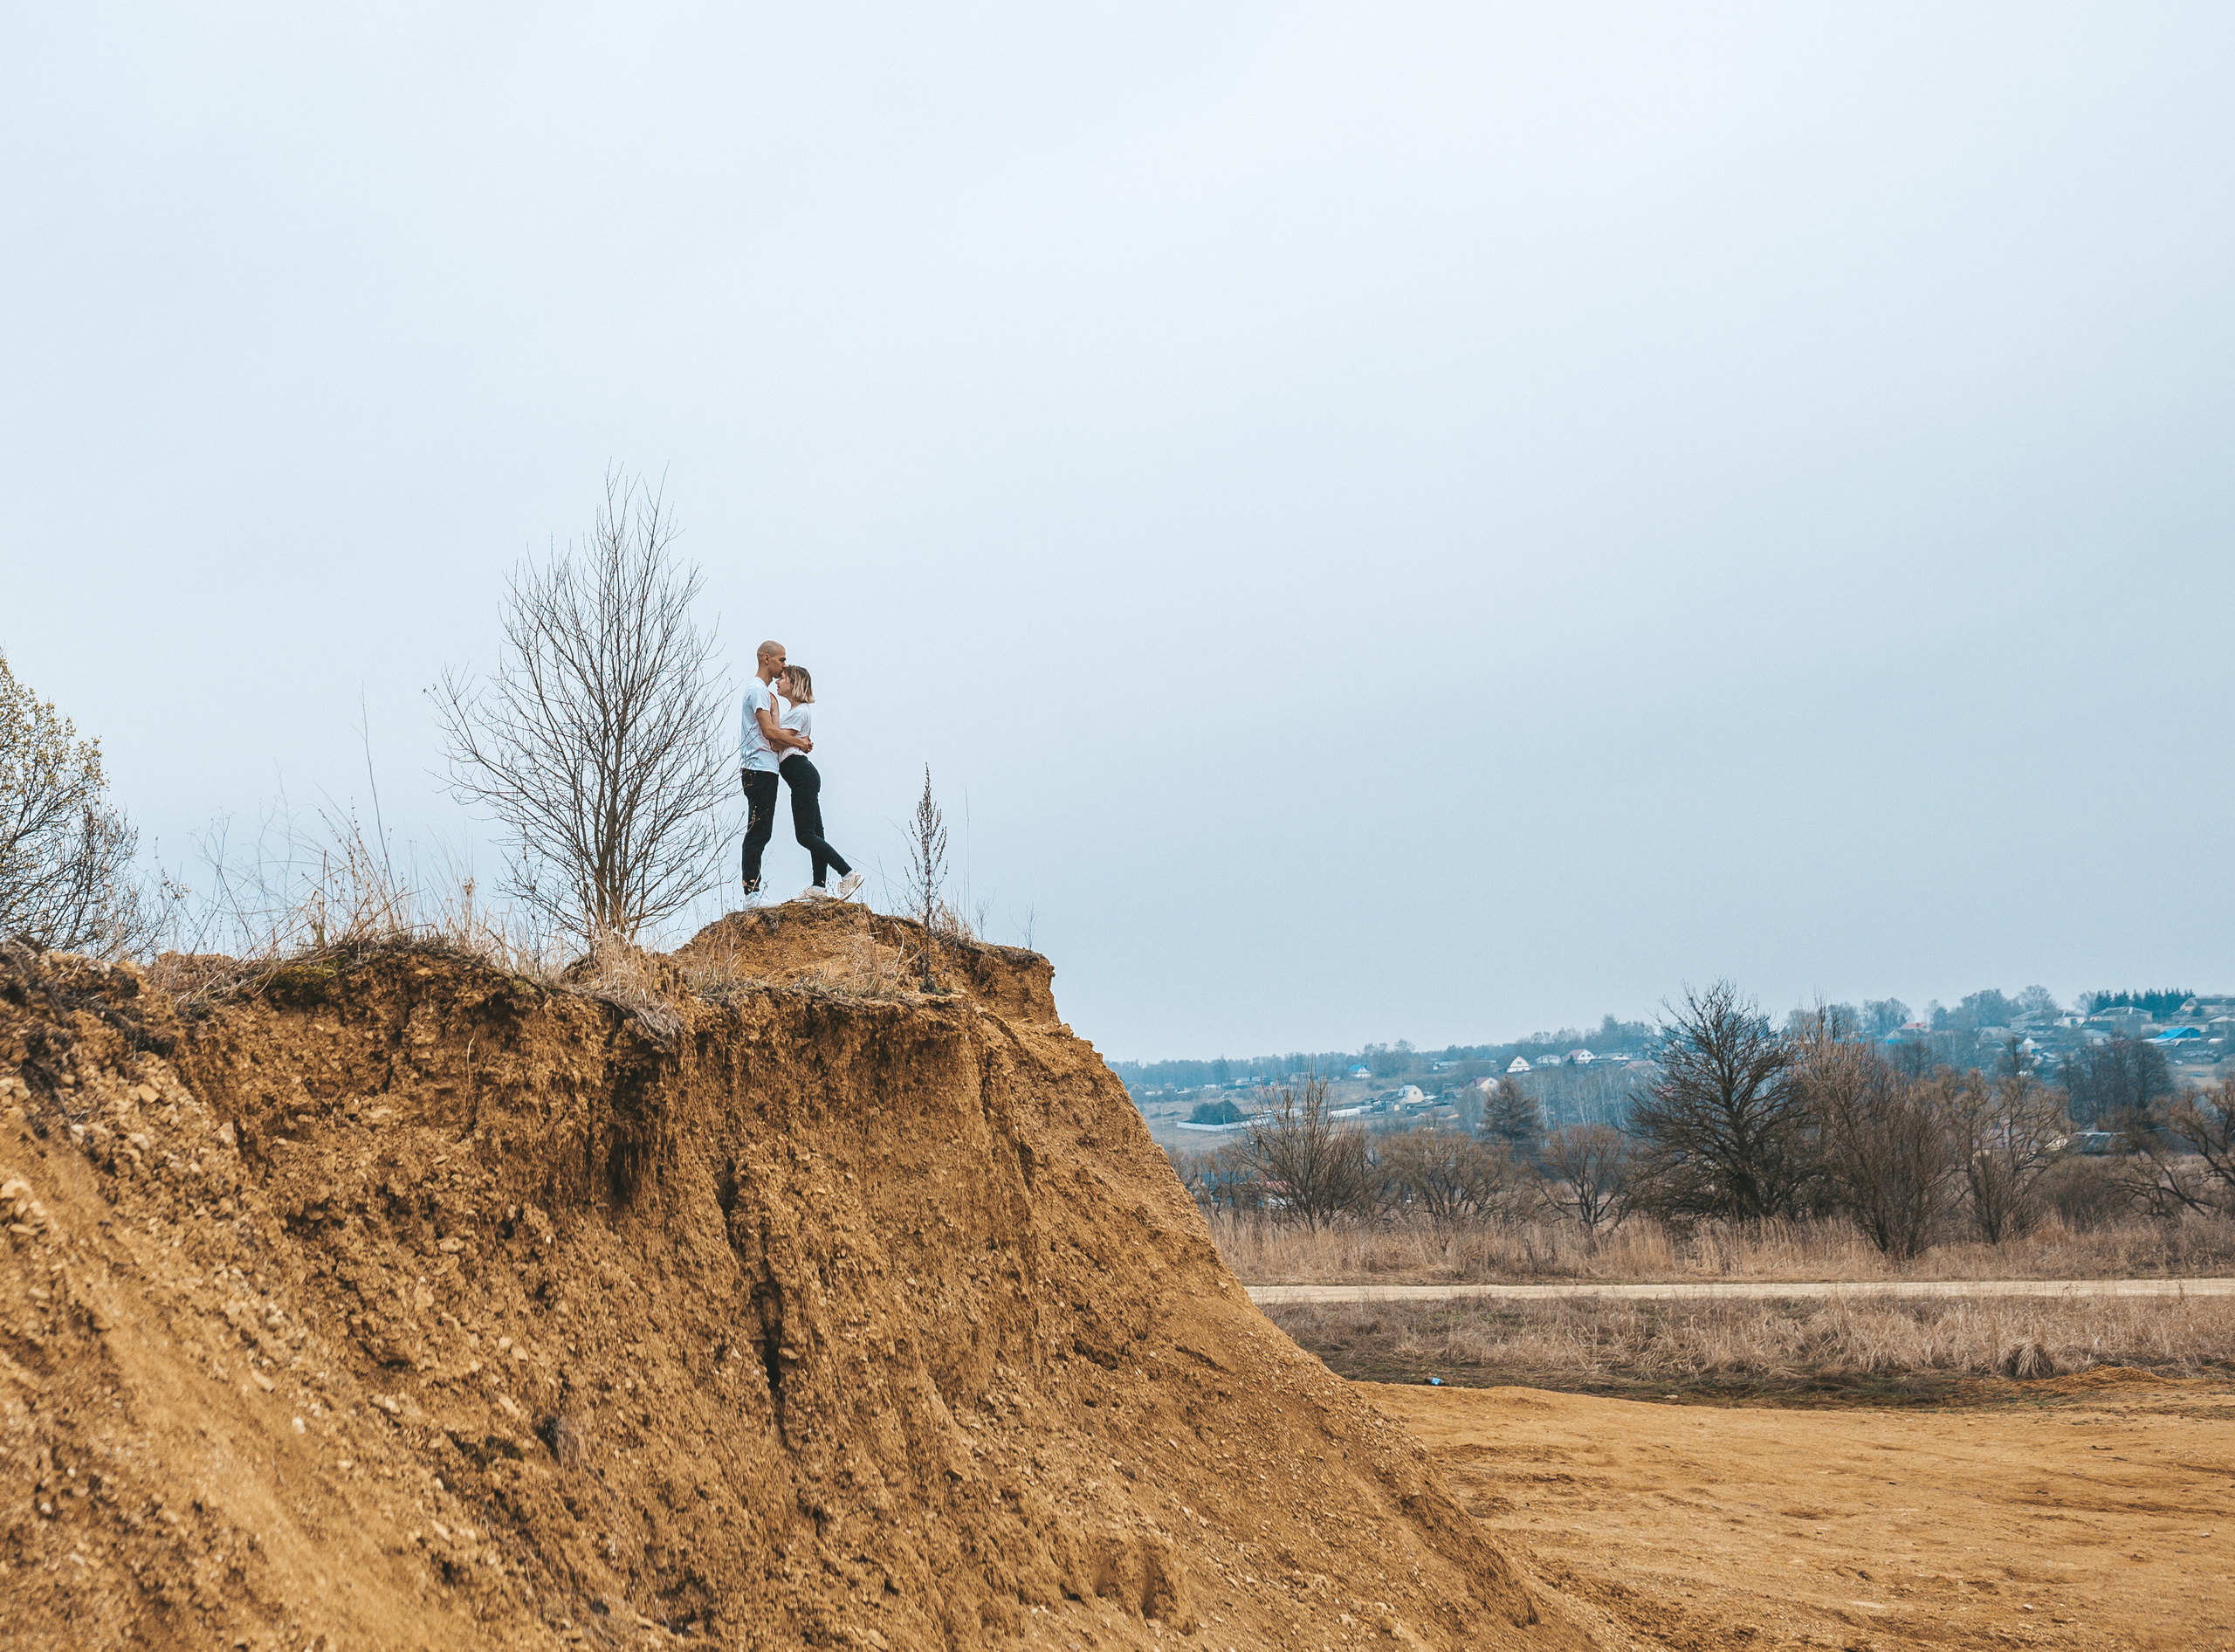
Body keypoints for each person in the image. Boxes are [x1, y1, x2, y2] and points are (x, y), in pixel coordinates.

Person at [775, 664, 863, 901]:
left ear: (793, 684)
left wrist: (771, 712)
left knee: (805, 836)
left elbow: (775, 743)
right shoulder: (797, 712)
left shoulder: (800, 712)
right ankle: (819, 886)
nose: (777, 682)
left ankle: (847, 873)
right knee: (816, 833)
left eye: (782, 678)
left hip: (801, 774)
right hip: (802, 776)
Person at [739, 640, 810, 897]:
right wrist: (800, 743)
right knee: (758, 831)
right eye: (782, 660)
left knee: (763, 830)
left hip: (765, 768)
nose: (784, 666)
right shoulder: (757, 690)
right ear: (766, 659)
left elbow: (772, 729)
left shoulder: (763, 693)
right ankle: (752, 893)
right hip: (758, 768)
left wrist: (777, 710)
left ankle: (753, 891)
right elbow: (769, 733)